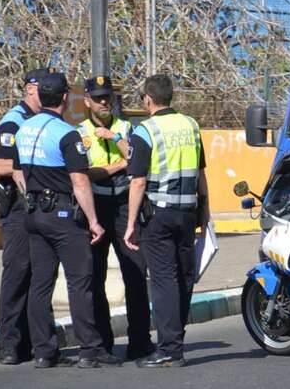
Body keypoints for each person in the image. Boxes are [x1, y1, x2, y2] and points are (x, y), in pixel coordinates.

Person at [13, 72, 122, 369]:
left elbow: (17, 172)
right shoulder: (66, 133)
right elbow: (80, 182)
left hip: (34, 212)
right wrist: (94, 221)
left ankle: (44, 351)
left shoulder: (23, 129)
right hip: (63, 215)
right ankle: (91, 349)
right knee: (80, 282)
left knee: (40, 284)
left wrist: (32, 197)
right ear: (64, 98)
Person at [123, 74, 210, 368]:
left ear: (148, 98)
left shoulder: (145, 130)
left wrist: (131, 223)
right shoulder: (191, 125)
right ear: (171, 96)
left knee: (163, 281)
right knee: (184, 277)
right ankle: (176, 340)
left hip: (158, 215)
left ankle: (169, 349)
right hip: (188, 213)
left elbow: (138, 182)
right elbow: (201, 173)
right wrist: (206, 213)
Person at [78, 75, 154, 361]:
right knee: (94, 277)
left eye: (107, 97)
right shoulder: (80, 132)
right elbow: (85, 173)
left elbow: (137, 161)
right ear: (87, 101)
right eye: (98, 98)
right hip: (95, 207)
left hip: (125, 206)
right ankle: (103, 343)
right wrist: (120, 165)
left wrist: (116, 140)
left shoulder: (126, 127)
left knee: (135, 274)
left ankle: (140, 341)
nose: (104, 102)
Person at [0, 67, 51, 364]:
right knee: (16, 274)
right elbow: (0, 165)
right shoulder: (14, 121)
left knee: (38, 274)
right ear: (30, 89)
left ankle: (32, 340)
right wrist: (28, 169)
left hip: (39, 207)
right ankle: (9, 343)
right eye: (44, 87)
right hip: (17, 209)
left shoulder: (45, 120)